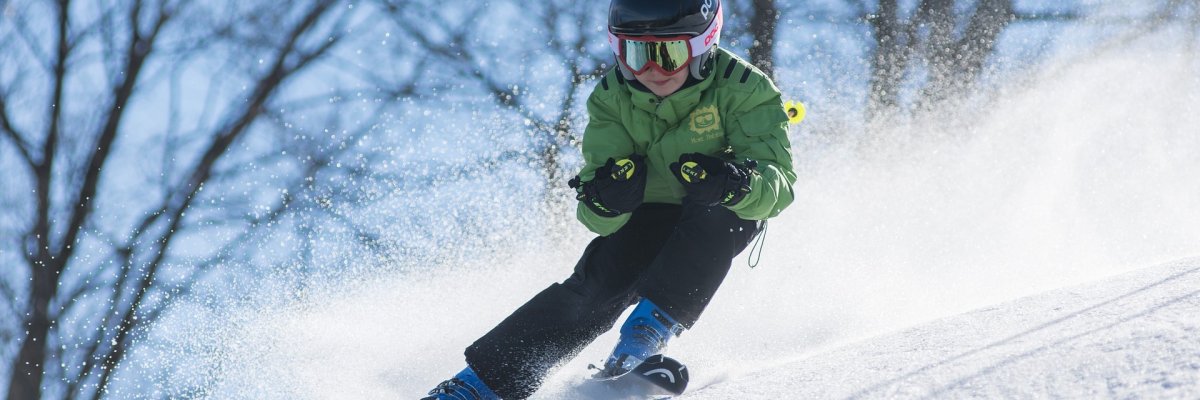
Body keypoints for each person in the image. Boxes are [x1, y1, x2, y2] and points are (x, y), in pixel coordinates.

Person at [422, 0, 795, 398]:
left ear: (704, 46)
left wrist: (735, 183)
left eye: (668, 54)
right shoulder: (612, 97)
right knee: (597, 284)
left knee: (717, 217)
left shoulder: (744, 88)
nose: (651, 70)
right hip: (647, 213)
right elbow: (596, 217)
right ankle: (476, 387)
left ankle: (642, 338)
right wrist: (607, 198)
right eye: (635, 54)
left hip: (716, 210)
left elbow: (780, 185)